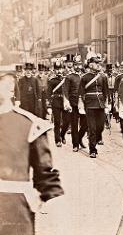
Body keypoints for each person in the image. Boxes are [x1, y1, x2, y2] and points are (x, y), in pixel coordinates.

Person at [0, 72, 64, 235]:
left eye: (9, 80)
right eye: (2, 80)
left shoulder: (30, 124)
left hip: (15, 211)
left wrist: (45, 198)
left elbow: (46, 174)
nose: (8, 85)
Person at [79, 53, 109, 158]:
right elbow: (81, 93)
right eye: (95, 63)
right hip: (90, 104)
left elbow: (106, 92)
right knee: (92, 128)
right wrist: (81, 105)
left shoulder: (103, 77)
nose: (97, 65)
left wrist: (107, 104)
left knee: (100, 127)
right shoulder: (84, 77)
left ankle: (94, 142)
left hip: (100, 104)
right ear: (90, 64)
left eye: (98, 63)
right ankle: (92, 149)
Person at [64, 54, 88, 152]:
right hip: (73, 103)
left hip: (83, 103)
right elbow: (65, 91)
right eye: (76, 65)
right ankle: (75, 144)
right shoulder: (69, 77)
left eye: (80, 64)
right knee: (74, 125)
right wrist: (67, 102)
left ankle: (79, 138)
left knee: (86, 124)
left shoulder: (84, 76)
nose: (78, 67)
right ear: (73, 65)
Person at [47, 59, 70, 147]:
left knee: (67, 122)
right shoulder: (52, 80)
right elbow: (49, 93)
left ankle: (62, 134)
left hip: (65, 102)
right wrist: (49, 103)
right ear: (54, 70)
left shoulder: (66, 79)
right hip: (56, 102)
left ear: (63, 69)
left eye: (60, 69)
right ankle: (57, 140)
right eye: (57, 69)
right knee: (57, 122)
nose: (59, 71)